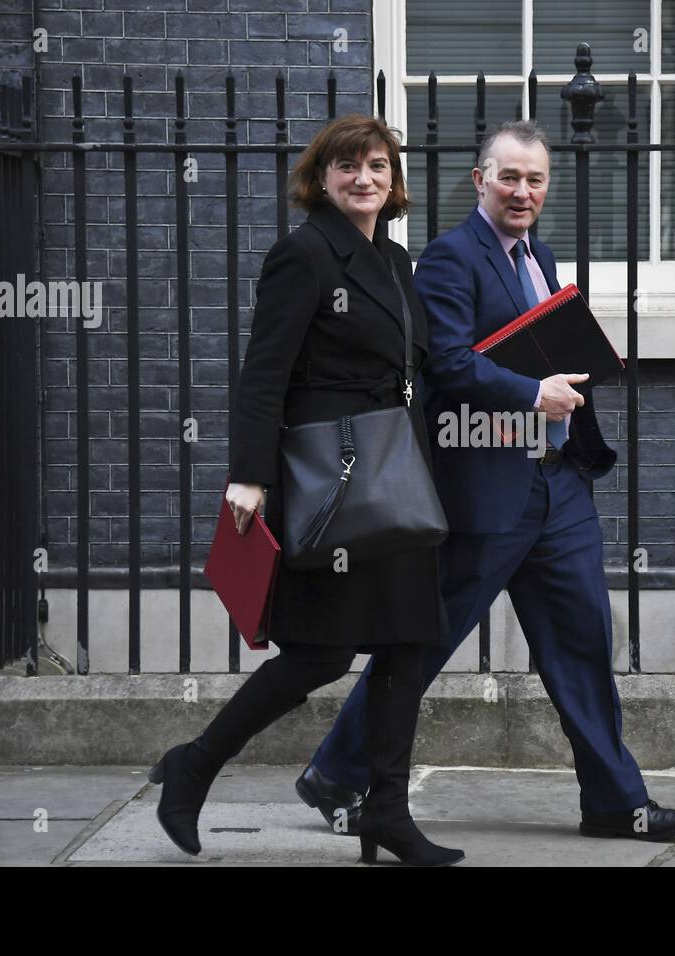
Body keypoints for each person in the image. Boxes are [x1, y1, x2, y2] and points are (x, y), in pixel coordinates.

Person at [297, 120, 675, 842]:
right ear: (480, 180)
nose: (522, 191)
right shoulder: (452, 258)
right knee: (425, 639)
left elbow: (534, 345)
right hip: (486, 488)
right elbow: (448, 362)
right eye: (508, 177)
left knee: (581, 641)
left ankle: (615, 800)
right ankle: (336, 772)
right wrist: (531, 394)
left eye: (535, 179)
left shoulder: (537, 254)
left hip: (557, 488)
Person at [147, 114, 463, 867]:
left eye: (379, 167)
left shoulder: (393, 261)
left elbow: (419, 369)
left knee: (406, 648)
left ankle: (385, 812)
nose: (365, 179)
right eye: (349, 166)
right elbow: (264, 374)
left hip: (395, 479)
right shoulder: (304, 255)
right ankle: (194, 764)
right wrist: (248, 477)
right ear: (320, 179)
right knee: (319, 654)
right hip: (331, 481)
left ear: (394, 182)